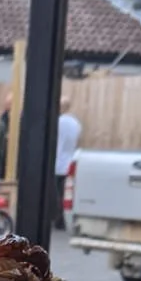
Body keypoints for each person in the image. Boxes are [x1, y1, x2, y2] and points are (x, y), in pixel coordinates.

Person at [55, 97, 82, 230]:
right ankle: (64, 220)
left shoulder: (58, 122)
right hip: (69, 161)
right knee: (66, 194)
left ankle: (57, 220)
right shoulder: (76, 123)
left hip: (57, 163)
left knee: (56, 194)